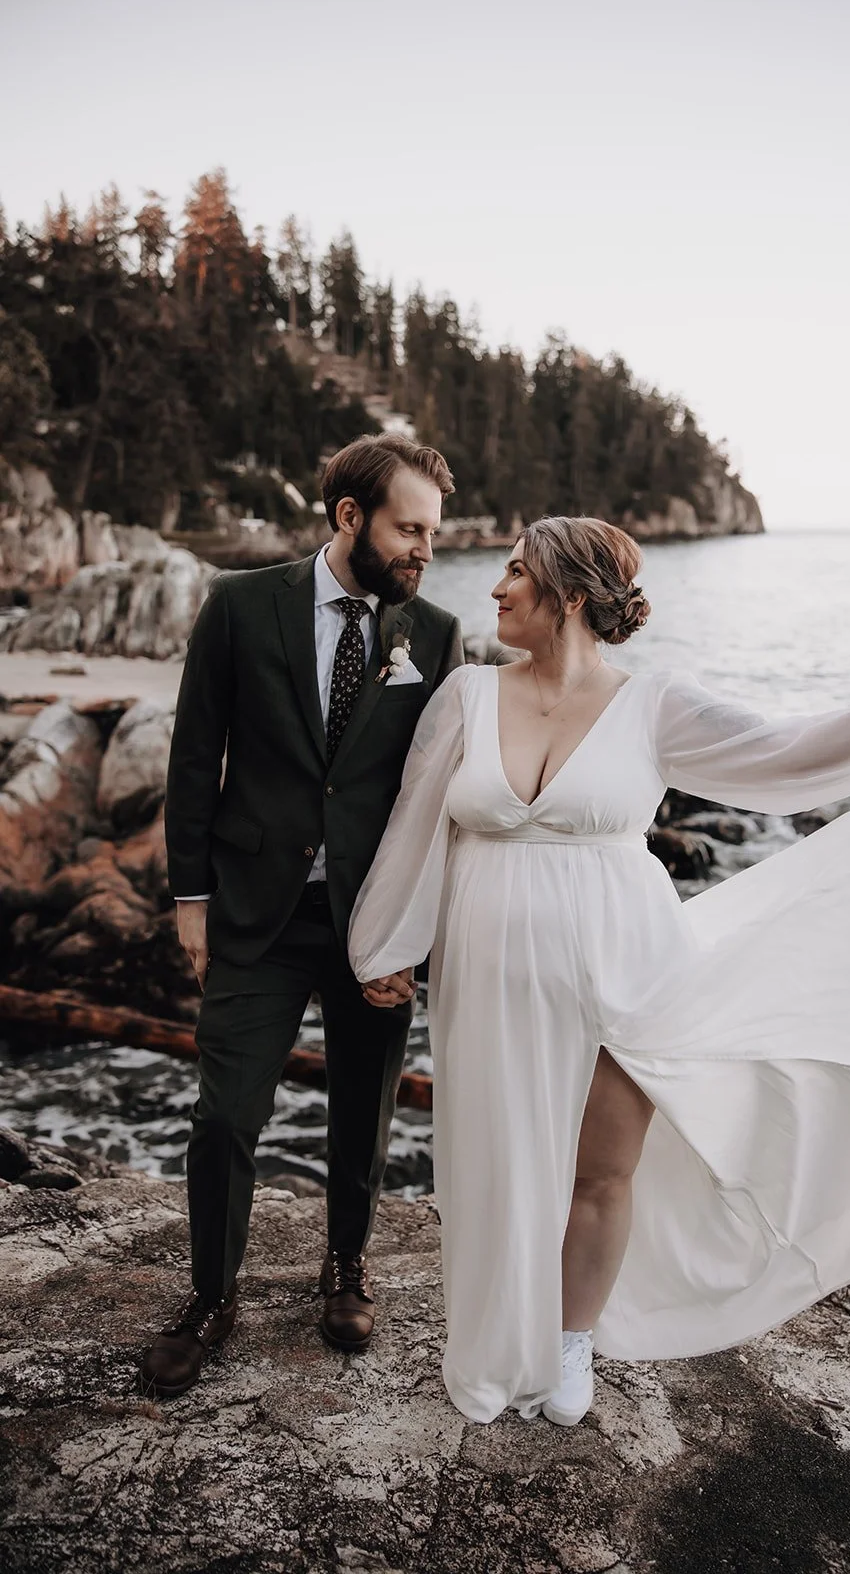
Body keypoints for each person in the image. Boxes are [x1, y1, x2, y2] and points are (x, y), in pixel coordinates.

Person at [348, 515, 850, 1427]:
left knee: (601, 1170)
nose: (497, 588)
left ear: (570, 595)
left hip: (628, 965)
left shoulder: (652, 705)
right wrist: (385, 946)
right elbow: (415, 824)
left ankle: (570, 1340)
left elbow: (783, 748)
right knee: (489, 1162)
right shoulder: (466, 695)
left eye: (515, 572)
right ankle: (493, 1343)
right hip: (488, 972)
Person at [139, 435, 464, 1399]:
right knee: (224, 1114)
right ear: (349, 517)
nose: (425, 550)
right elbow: (194, 757)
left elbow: (435, 794)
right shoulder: (241, 605)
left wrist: (416, 935)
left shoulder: (436, 634)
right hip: (255, 913)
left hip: (374, 921)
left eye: (433, 532)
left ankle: (346, 1266)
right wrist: (189, 899)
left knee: (364, 1110)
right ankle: (210, 1297)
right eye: (409, 529)